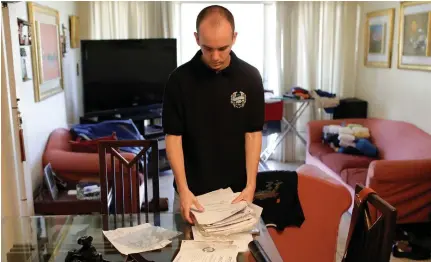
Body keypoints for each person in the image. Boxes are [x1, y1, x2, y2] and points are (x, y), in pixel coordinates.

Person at [162, 5, 265, 224]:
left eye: (223, 48)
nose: (215, 56)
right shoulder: (178, 81)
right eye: (208, 48)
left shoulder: (250, 78)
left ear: (234, 38)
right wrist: (183, 189)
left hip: (236, 193)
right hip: (192, 193)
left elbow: (253, 134)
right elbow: (173, 138)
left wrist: (250, 185)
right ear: (196, 38)